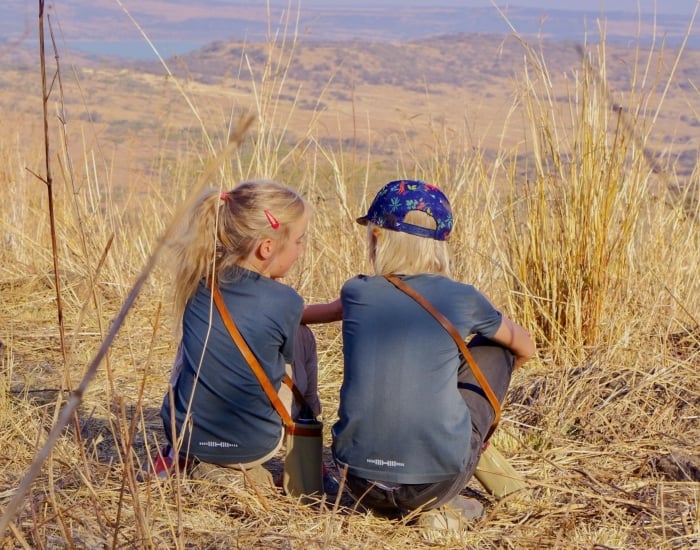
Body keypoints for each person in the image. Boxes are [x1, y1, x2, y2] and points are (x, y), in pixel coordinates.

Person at [330, 179, 536, 527]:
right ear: (443, 243)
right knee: (496, 348)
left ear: (377, 236)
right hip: (434, 484)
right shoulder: (463, 297)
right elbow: (525, 345)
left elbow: (306, 314)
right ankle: (445, 511)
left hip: (359, 481)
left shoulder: (355, 292)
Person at [159, 180, 318, 487]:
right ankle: (305, 448)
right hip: (254, 445)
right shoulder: (287, 301)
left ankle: (187, 460)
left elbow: (249, 321)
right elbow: (282, 364)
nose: (301, 250)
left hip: (184, 436)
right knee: (302, 338)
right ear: (266, 248)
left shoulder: (197, 281)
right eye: (299, 241)